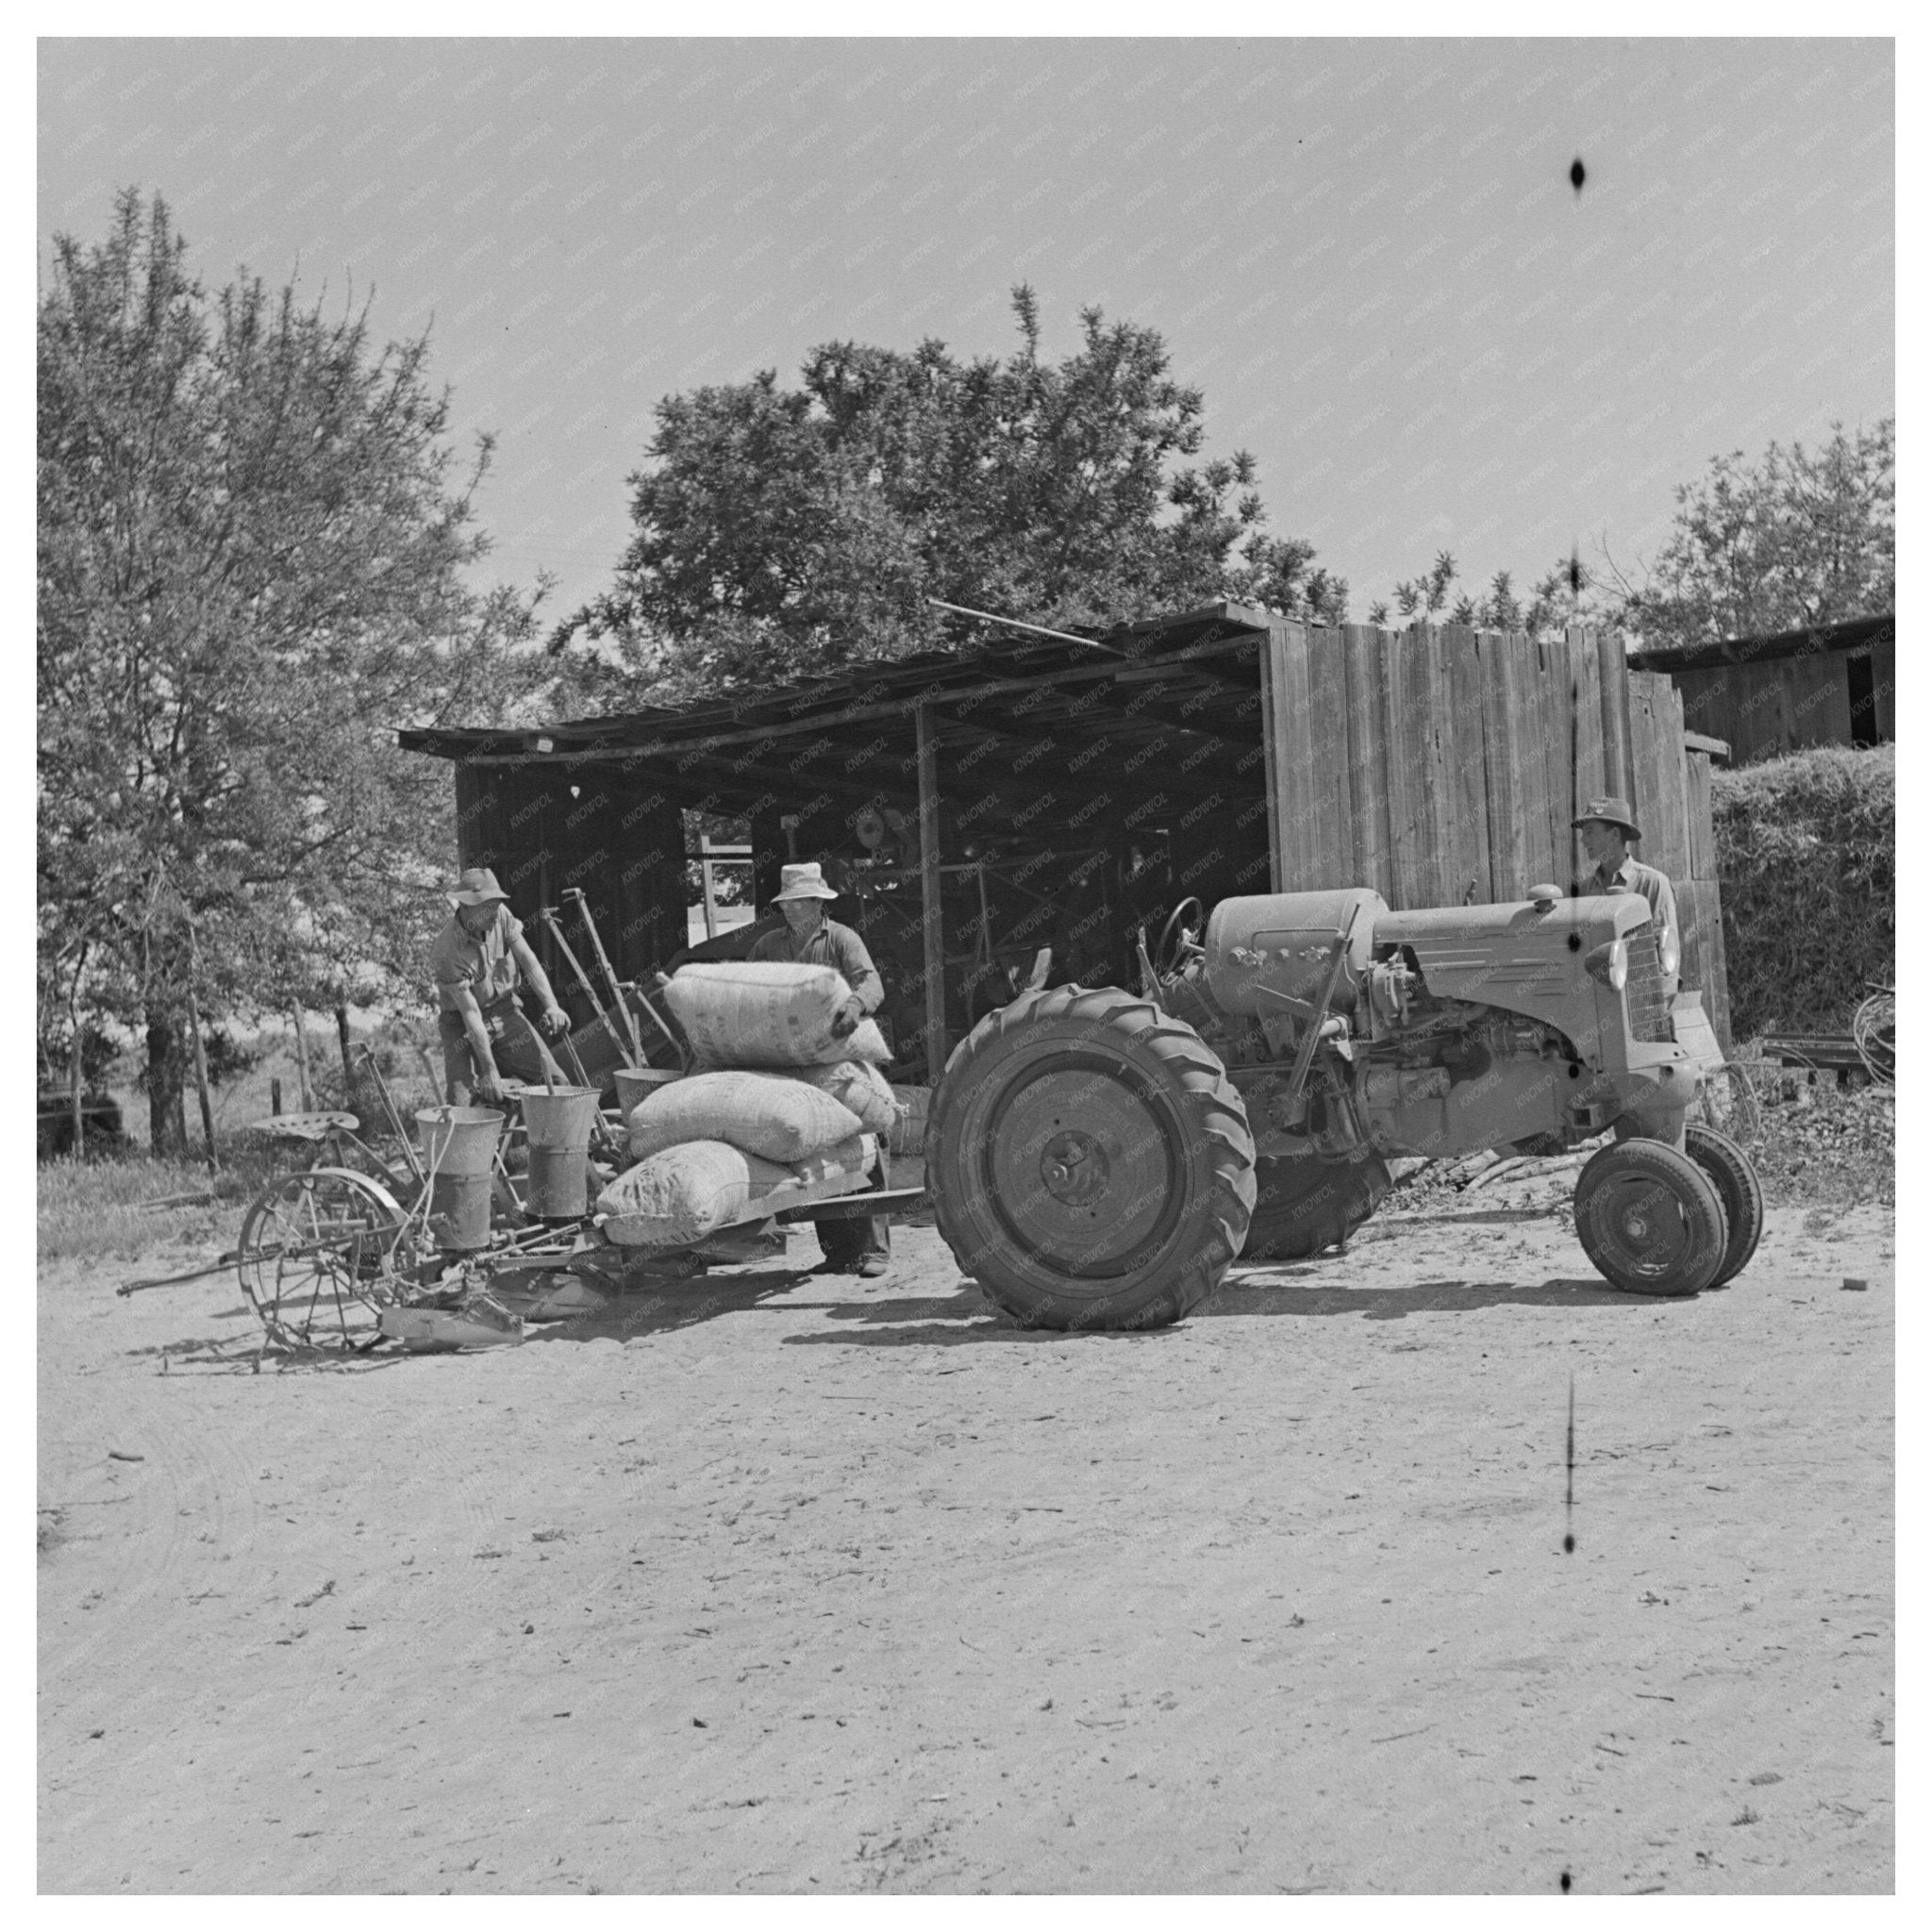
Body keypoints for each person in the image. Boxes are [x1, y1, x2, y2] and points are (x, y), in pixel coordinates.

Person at [750, 861, 891, 1279]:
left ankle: (876, 1250)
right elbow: (748, 987)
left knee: (865, 1137)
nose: (792, 910)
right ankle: (839, 1252)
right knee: (814, 1150)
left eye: (800, 902)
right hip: (791, 1061)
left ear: (818, 902)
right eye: (787, 903)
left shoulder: (842, 939)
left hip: (838, 1056)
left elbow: (872, 983)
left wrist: (853, 1006)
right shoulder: (769, 945)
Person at [429, 867, 574, 1106]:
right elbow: (470, 1012)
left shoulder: (500, 915)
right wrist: (489, 1070)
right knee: (462, 1105)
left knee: (557, 1086)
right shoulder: (446, 951)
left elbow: (528, 960)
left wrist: (552, 1005)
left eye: (496, 905)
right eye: (486, 906)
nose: (494, 913)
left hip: (504, 1012)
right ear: (464, 907)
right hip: (461, 1024)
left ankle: (544, 1142)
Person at [1572, 796, 1681, 998]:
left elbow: (1668, 962)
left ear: (1613, 835)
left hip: (1642, 1006)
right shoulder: (1585, 890)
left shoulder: (1653, 884)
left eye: (1590, 832)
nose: (1583, 840)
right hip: (1598, 1004)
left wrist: (1656, 1016)